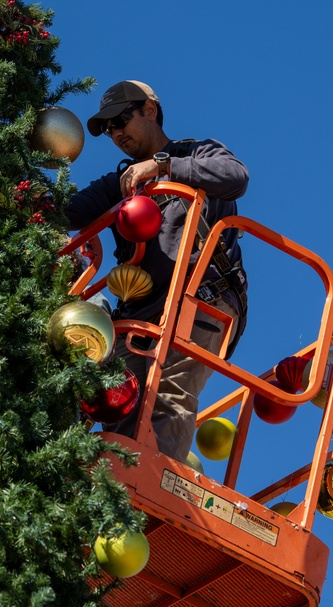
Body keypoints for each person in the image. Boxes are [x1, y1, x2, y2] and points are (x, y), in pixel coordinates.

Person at [66, 80, 249, 463]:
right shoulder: (122, 183)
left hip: (202, 301)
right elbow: (70, 211)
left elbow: (235, 177)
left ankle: (148, 486)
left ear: (149, 110)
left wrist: (165, 166)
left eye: (121, 120)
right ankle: (117, 490)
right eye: (108, 129)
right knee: (117, 401)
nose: (116, 134)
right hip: (141, 315)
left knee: (168, 396)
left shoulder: (193, 153)